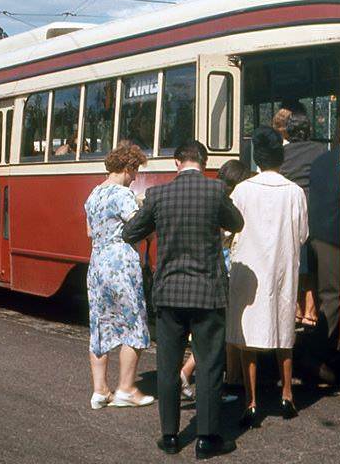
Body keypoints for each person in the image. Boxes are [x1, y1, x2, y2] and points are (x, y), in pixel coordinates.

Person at [122, 140, 244, 459]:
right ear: (204, 163)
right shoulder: (216, 192)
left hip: (170, 292)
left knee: (168, 363)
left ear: (178, 162)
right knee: (209, 363)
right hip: (207, 292)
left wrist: (156, 227)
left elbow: (130, 233)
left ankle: (170, 436)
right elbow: (237, 223)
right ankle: (207, 438)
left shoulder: (158, 195)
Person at [227, 127, 308, 428]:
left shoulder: (243, 190)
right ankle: (287, 394)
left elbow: (228, 229)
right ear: (282, 157)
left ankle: (251, 402)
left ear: (256, 157)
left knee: (249, 334)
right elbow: (302, 234)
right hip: (282, 269)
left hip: (249, 269)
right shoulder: (295, 192)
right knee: (283, 330)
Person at [83, 142, 154, 411]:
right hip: (121, 262)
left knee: (99, 324)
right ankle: (126, 389)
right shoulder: (123, 195)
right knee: (133, 322)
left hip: (97, 262)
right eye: (135, 172)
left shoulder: (93, 194)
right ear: (128, 167)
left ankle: (100, 390)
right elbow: (139, 227)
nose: (135, 177)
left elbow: (90, 232)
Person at [179, 159, 254, 400]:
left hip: (204, 271)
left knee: (214, 332)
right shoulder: (226, 205)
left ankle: (223, 378)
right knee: (216, 333)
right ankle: (189, 373)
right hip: (223, 271)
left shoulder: (210, 198)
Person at [280, 111, 325, 329]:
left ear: (288, 131)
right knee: (312, 262)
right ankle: (311, 310)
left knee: (295, 259)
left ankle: (296, 310)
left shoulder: (282, 152)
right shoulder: (319, 150)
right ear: (308, 131)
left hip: (289, 208)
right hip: (313, 207)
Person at [305, 143, 340, 382]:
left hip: (317, 235)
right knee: (333, 296)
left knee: (326, 295)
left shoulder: (321, 160)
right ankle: (312, 354)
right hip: (334, 237)